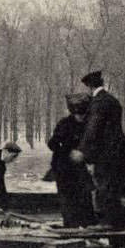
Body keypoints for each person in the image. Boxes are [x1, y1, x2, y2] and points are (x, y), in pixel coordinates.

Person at [72, 70, 125, 229]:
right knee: (114, 184)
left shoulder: (98, 102)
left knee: (103, 184)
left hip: (105, 152)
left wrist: (82, 150)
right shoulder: (113, 100)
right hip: (117, 150)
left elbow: (93, 128)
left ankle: (106, 223)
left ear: (90, 86)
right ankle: (116, 222)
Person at [47, 93, 97, 228]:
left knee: (86, 198)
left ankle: (89, 228)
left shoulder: (89, 125)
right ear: (73, 113)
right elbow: (52, 144)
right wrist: (69, 152)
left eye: (83, 115)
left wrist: (88, 158)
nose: (81, 118)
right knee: (68, 201)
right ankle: (70, 229)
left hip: (81, 168)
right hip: (63, 168)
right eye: (78, 115)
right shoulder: (64, 124)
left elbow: (93, 146)